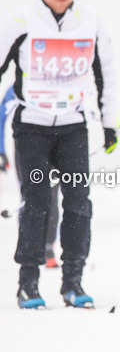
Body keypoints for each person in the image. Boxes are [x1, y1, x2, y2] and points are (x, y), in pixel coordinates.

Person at [0, 0, 119, 309]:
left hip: (73, 127)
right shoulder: (22, 21)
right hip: (32, 126)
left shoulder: (91, 22)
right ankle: (28, 284)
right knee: (37, 203)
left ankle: (73, 282)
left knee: (79, 203)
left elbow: (106, 75)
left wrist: (110, 124)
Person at [1, 84, 62, 267]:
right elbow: (1, 117)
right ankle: (29, 246)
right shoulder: (16, 88)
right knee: (31, 196)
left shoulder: (61, 84)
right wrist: (1, 151)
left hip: (55, 144)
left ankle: (48, 247)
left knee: (51, 195)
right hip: (26, 145)